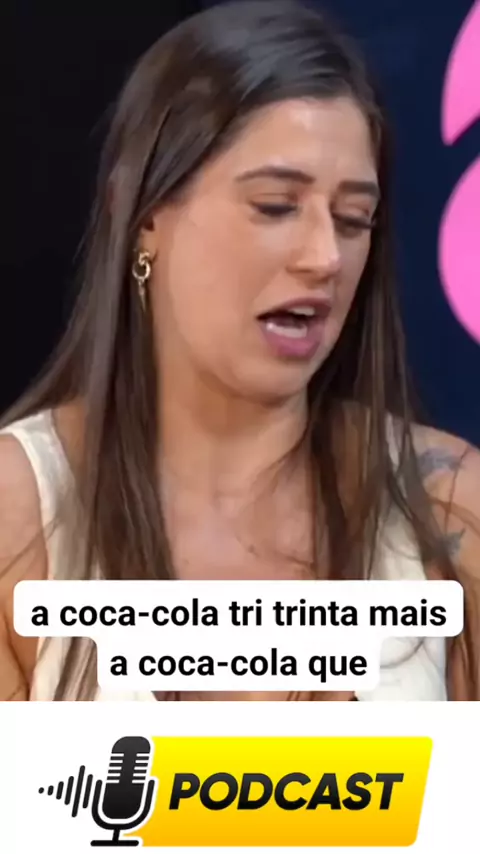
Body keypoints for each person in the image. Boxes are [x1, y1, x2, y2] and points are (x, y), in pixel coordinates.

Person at [0, 0, 479, 703]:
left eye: (354, 219)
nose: (325, 257)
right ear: (143, 216)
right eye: (276, 206)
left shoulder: (449, 504)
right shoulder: (17, 512)